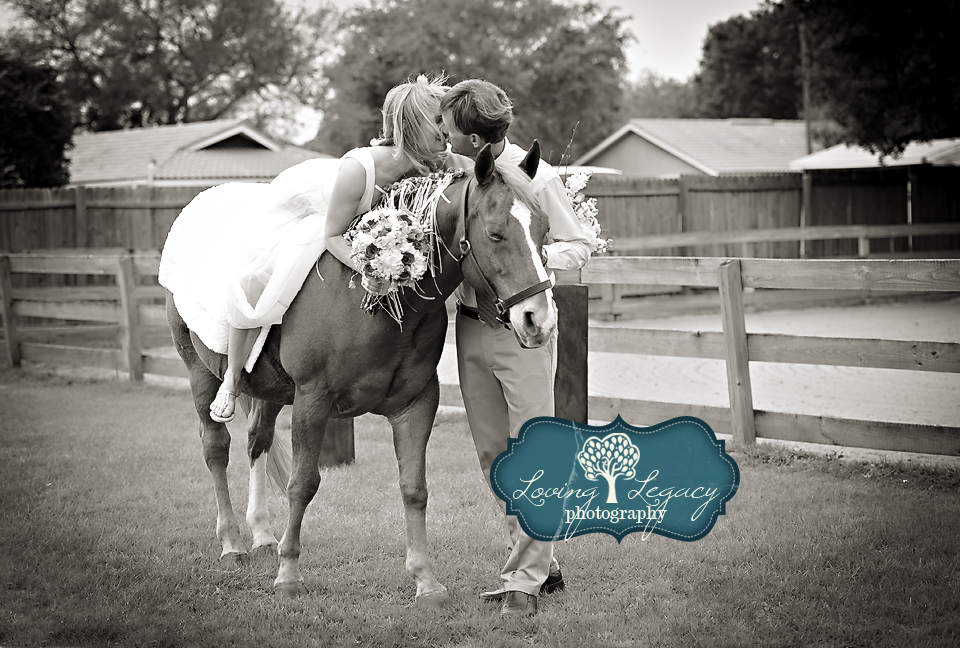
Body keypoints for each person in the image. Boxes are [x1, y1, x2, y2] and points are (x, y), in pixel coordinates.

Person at [159, 75, 449, 423]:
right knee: (256, 275)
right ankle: (233, 377)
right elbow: (333, 235)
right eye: (439, 120)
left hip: (355, 220)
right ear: (413, 123)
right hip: (309, 206)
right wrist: (369, 269)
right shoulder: (359, 170)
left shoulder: (437, 164)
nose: (447, 129)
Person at [438, 79, 592, 616]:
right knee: (493, 457)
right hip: (470, 327)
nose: (442, 134)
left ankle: (523, 580)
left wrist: (534, 266)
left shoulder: (535, 176)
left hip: (522, 331)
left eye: (449, 128)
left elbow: (577, 242)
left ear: (473, 138)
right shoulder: (450, 179)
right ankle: (541, 562)